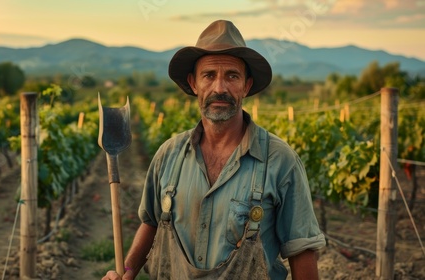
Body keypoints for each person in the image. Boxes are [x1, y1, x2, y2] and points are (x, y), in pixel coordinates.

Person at [103, 19, 325, 280]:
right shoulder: (168, 155)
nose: (220, 88)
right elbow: (151, 223)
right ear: (194, 83)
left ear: (247, 85)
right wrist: (126, 272)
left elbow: (302, 252)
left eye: (232, 76)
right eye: (209, 75)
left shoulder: (280, 161)